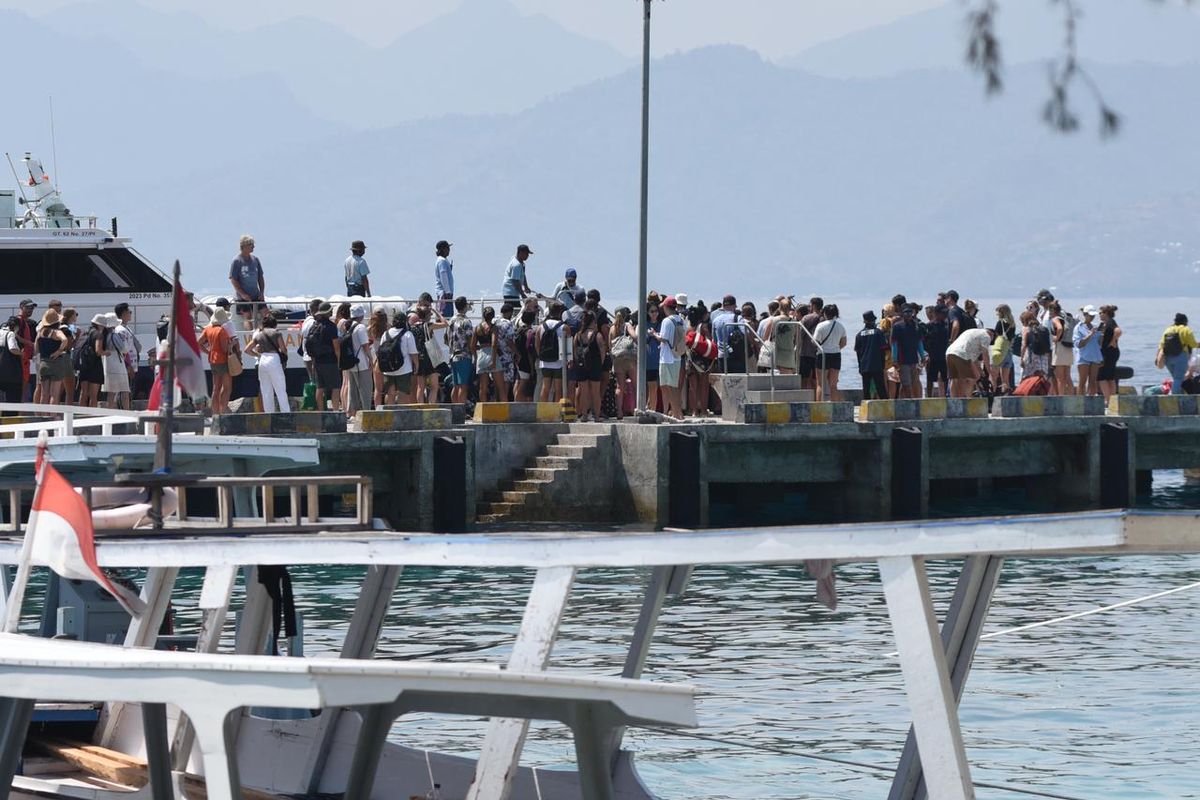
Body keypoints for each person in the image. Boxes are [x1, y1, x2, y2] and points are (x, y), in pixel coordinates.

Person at [243, 314, 290, 413]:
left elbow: (247, 350)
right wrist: (283, 358)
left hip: (263, 359)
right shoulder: (276, 333)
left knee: (266, 391)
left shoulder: (259, 334)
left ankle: (269, 414)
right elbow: (284, 349)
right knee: (280, 389)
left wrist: (259, 355)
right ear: (274, 324)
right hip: (274, 359)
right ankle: (286, 413)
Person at [305, 301, 342, 410]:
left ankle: (321, 412)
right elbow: (336, 347)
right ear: (328, 312)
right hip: (330, 361)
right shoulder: (331, 326)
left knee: (320, 388)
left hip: (317, 361)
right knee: (335, 387)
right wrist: (338, 362)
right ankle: (335, 411)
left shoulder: (314, 325)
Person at [378, 312, 420, 405]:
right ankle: (402, 415)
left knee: (390, 394)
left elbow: (381, 350)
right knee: (403, 394)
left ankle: (389, 414)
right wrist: (416, 365)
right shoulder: (408, 334)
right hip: (404, 369)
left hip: (388, 369)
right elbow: (413, 353)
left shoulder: (386, 334)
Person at [654, 297, 685, 420]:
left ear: (666, 307)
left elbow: (663, 338)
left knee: (669, 387)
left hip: (667, 358)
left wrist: (654, 334)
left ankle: (676, 414)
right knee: (674, 387)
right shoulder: (681, 320)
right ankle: (678, 413)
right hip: (677, 356)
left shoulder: (667, 321)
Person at [573, 311, 607, 422]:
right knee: (595, 392)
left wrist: (578, 362)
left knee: (583, 392)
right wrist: (600, 364)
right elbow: (602, 351)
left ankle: (584, 416)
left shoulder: (578, 335)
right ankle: (596, 416)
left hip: (582, 365)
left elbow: (574, 351)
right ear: (593, 321)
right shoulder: (597, 335)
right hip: (595, 365)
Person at [199, 309, 233, 414]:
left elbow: (198, 343)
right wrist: (231, 344)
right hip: (223, 360)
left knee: (216, 388)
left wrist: (208, 352)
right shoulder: (221, 330)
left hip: (212, 360)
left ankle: (215, 413)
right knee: (227, 388)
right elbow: (224, 349)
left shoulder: (208, 329)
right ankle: (223, 412)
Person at [34, 309, 71, 407]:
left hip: (43, 363)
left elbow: (36, 348)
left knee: (44, 393)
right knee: (54, 394)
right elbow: (65, 340)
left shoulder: (40, 332)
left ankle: (43, 416)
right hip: (56, 363)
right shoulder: (57, 332)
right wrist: (59, 351)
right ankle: (52, 417)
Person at [229, 235, 266, 329]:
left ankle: (264, 334)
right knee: (247, 316)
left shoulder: (255, 260)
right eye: (251, 244)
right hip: (242, 297)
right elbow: (233, 279)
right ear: (244, 246)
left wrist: (261, 292)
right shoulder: (237, 261)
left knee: (266, 313)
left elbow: (260, 277)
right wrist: (243, 294)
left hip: (255, 294)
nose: (253, 247)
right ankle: (249, 337)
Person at [342, 304, 373, 416]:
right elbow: (365, 346)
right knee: (365, 389)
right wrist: (371, 359)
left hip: (351, 363)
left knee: (352, 390)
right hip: (361, 363)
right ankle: (366, 412)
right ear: (361, 315)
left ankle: (352, 412)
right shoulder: (360, 328)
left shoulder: (348, 326)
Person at [812, 304, 846, 402]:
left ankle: (819, 407)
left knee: (820, 384)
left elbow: (815, 341)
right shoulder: (840, 326)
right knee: (833, 385)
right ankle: (834, 407)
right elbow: (844, 342)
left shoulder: (821, 325)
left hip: (822, 354)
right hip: (836, 355)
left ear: (825, 313)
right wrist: (835, 347)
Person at [890, 304, 925, 399]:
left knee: (913, 383)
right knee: (906, 384)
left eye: (910, 312)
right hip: (902, 360)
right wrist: (894, 359)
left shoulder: (916, 326)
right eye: (906, 312)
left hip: (914, 360)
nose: (908, 314)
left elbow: (919, 343)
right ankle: (909, 403)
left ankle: (902, 401)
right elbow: (894, 344)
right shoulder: (897, 327)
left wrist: (923, 356)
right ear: (902, 313)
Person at [946, 325, 991, 398]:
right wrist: (990, 372)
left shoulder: (972, 332)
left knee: (954, 379)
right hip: (961, 354)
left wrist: (980, 371)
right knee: (970, 379)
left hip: (949, 352)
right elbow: (985, 355)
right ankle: (966, 400)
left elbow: (974, 360)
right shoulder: (986, 336)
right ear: (992, 334)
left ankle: (953, 402)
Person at [473, 306, 506, 404]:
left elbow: (472, 346)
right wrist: (493, 359)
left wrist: (476, 357)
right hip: (492, 355)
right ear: (493, 316)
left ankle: (483, 411)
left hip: (481, 355)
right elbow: (494, 344)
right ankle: (505, 411)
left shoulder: (477, 328)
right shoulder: (494, 328)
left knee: (483, 387)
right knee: (501, 387)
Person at [1157, 312, 1196, 395]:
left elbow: (1161, 345)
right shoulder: (1185, 329)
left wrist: (1158, 358)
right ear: (1185, 321)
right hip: (1180, 357)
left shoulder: (1168, 330)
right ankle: (1172, 398)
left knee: (1176, 379)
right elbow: (1193, 344)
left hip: (1168, 358)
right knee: (1178, 378)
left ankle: (1174, 394)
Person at [536, 302, 566, 402]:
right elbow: (568, 347)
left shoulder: (541, 327)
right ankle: (557, 413)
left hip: (544, 362)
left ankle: (542, 412)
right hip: (559, 362)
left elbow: (537, 345)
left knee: (545, 388)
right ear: (560, 312)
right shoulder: (564, 327)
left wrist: (541, 356)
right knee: (558, 389)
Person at [447, 296, 475, 405]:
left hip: (453, 356)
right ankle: (461, 412)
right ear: (464, 306)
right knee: (463, 386)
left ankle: (454, 412)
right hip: (464, 355)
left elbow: (446, 339)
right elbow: (469, 340)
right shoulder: (466, 321)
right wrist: (474, 354)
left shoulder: (451, 321)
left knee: (456, 385)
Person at [855, 310, 888, 400]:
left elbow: (858, 353)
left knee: (866, 390)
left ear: (864, 321)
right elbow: (883, 349)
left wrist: (860, 366)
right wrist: (883, 364)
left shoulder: (859, 335)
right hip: (877, 364)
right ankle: (886, 409)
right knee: (881, 389)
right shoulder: (878, 333)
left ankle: (866, 410)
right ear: (873, 320)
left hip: (864, 365)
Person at [75, 314, 106, 408]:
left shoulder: (84, 332)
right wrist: (106, 352)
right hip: (95, 366)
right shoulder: (98, 334)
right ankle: (92, 416)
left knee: (83, 392)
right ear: (100, 325)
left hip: (83, 365)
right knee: (93, 395)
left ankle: (81, 415)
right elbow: (98, 351)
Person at [112, 302, 140, 404]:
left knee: (127, 391)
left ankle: (125, 411)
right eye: (129, 312)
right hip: (126, 367)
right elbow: (123, 350)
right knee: (123, 391)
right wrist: (129, 366)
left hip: (130, 365)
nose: (131, 314)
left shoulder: (126, 328)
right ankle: (123, 413)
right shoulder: (120, 330)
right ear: (123, 313)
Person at [1073, 305, 1102, 397]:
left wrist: (1102, 334)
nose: (1093, 317)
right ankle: (1080, 403)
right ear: (1085, 314)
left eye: (1094, 315)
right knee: (1082, 381)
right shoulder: (1079, 327)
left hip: (1094, 356)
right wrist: (1090, 334)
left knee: (1093, 381)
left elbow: (1099, 343)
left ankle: (1092, 404)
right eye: (1090, 315)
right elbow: (1079, 344)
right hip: (1083, 357)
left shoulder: (1096, 327)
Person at [1048, 300, 1075, 395]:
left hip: (1060, 348)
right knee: (1067, 376)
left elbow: (1059, 328)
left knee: (1060, 377)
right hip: (1068, 347)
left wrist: (1056, 338)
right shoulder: (1064, 318)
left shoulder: (1055, 319)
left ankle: (1061, 397)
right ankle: (1072, 398)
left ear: (1052, 310)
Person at [1097, 305, 1122, 401]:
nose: (1099, 314)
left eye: (1101, 313)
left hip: (1109, 352)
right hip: (1109, 352)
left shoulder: (1110, 322)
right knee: (1110, 377)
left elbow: (1118, 331)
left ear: (1106, 313)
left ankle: (1107, 400)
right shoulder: (1104, 324)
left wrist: (1113, 341)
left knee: (1102, 377)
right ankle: (1112, 400)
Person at [924, 305, 950, 397]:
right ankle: (929, 397)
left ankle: (946, 396)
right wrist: (926, 355)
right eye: (943, 313)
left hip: (944, 356)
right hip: (932, 356)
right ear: (936, 313)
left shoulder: (947, 325)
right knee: (930, 379)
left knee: (945, 378)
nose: (945, 315)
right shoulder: (929, 326)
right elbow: (924, 342)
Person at [798, 297, 823, 393]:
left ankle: (804, 398)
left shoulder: (807, 318)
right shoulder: (824, 319)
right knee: (816, 380)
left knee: (804, 379)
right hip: (818, 353)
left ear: (813, 305)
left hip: (806, 352)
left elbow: (800, 335)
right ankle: (815, 399)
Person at [991, 304, 1017, 394]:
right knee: (1005, 379)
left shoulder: (1000, 323)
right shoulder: (1012, 324)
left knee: (993, 376)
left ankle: (992, 393)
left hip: (999, 352)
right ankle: (1006, 394)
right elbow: (1012, 339)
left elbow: (996, 336)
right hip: (1008, 351)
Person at [14, 299, 36, 402]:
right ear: (21, 307)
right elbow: (13, 334)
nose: (30, 310)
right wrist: (30, 343)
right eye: (28, 307)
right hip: (20, 360)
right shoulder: (18, 320)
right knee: (22, 389)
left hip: (25, 360)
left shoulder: (25, 322)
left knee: (24, 388)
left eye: (32, 308)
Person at [1019, 309, 1051, 380]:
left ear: (1025, 320)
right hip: (1043, 357)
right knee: (1041, 378)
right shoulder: (1043, 328)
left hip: (1031, 356)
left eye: (1022, 321)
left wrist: (1021, 359)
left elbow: (1024, 345)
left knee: (1028, 378)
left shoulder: (1026, 329)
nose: (1022, 324)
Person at [367, 308, 389, 407]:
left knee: (378, 389)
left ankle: (378, 410)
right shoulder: (389, 328)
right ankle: (389, 408)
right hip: (387, 359)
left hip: (376, 359)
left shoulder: (369, 329)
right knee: (389, 389)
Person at [0, 317, 24, 406]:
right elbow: (12, 349)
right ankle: (10, 416)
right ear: (16, 326)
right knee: (12, 397)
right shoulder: (10, 334)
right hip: (10, 374)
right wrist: (21, 353)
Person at [434, 240, 454, 317]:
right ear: (443, 249)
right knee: (446, 315)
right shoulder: (442, 261)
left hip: (443, 293)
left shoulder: (442, 260)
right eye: (447, 248)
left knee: (445, 315)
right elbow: (443, 276)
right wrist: (447, 291)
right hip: (445, 294)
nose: (449, 250)